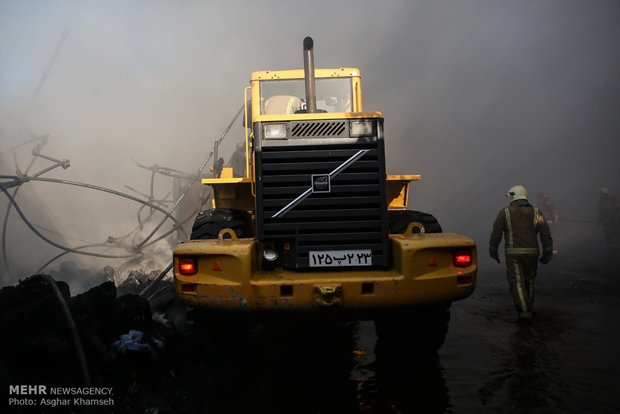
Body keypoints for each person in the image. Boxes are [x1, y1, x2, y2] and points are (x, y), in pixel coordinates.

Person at [489, 185, 554, 323]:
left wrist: (493, 250)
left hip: (514, 255)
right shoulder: (537, 212)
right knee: (529, 281)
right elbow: (545, 233)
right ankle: (528, 308)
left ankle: (525, 313)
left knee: (517, 282)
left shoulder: (505, 212)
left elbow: (496, 233)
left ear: (512, 196)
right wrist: (547, 251)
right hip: (532, 253)